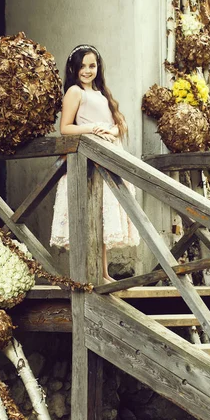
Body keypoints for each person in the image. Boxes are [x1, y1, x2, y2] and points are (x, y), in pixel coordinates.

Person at [50, 44, 140, 282]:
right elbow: (65, 128)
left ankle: (103, 273)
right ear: (73, 68)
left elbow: (121, 124)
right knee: (87, 216)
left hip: (108, 158)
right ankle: (87, 275)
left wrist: (112, 129)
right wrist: (93, 129)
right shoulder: (75, 92)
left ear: (98, 67)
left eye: (91, 65)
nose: (87, 71)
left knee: (100, 217)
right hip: (89, 161)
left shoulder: (101, 93)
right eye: (82, 66)